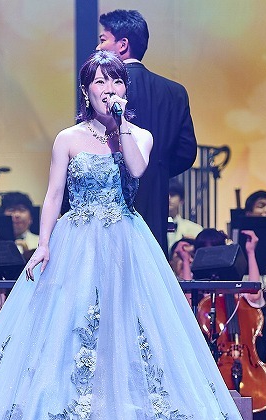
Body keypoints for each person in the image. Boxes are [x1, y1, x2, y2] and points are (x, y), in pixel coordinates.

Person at [0, 51, 256, 420]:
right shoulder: (67, 138)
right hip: (76, 241)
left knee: (126, 326)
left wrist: (121, 127)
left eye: (116, 81)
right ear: (86, 91)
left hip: (124, 242)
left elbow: (135, 169)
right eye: (100, 81)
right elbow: (53, 195)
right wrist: (43, 244)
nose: (109, 89)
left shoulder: (140, 135)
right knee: (72, 327)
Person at [97, 9, 197, 254]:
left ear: (122, 45)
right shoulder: (175, 92)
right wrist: (157, 170)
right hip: (156, 196)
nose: (98, 48)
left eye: (103, 40)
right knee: (150, 265)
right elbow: (187, 152)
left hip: (112, 197)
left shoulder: (102, 89)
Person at [167, 179, 203, 255]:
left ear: (181, 200)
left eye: (172, 194)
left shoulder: (195, 229)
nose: (168, 198)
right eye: (165, 194)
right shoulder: (149, 228)